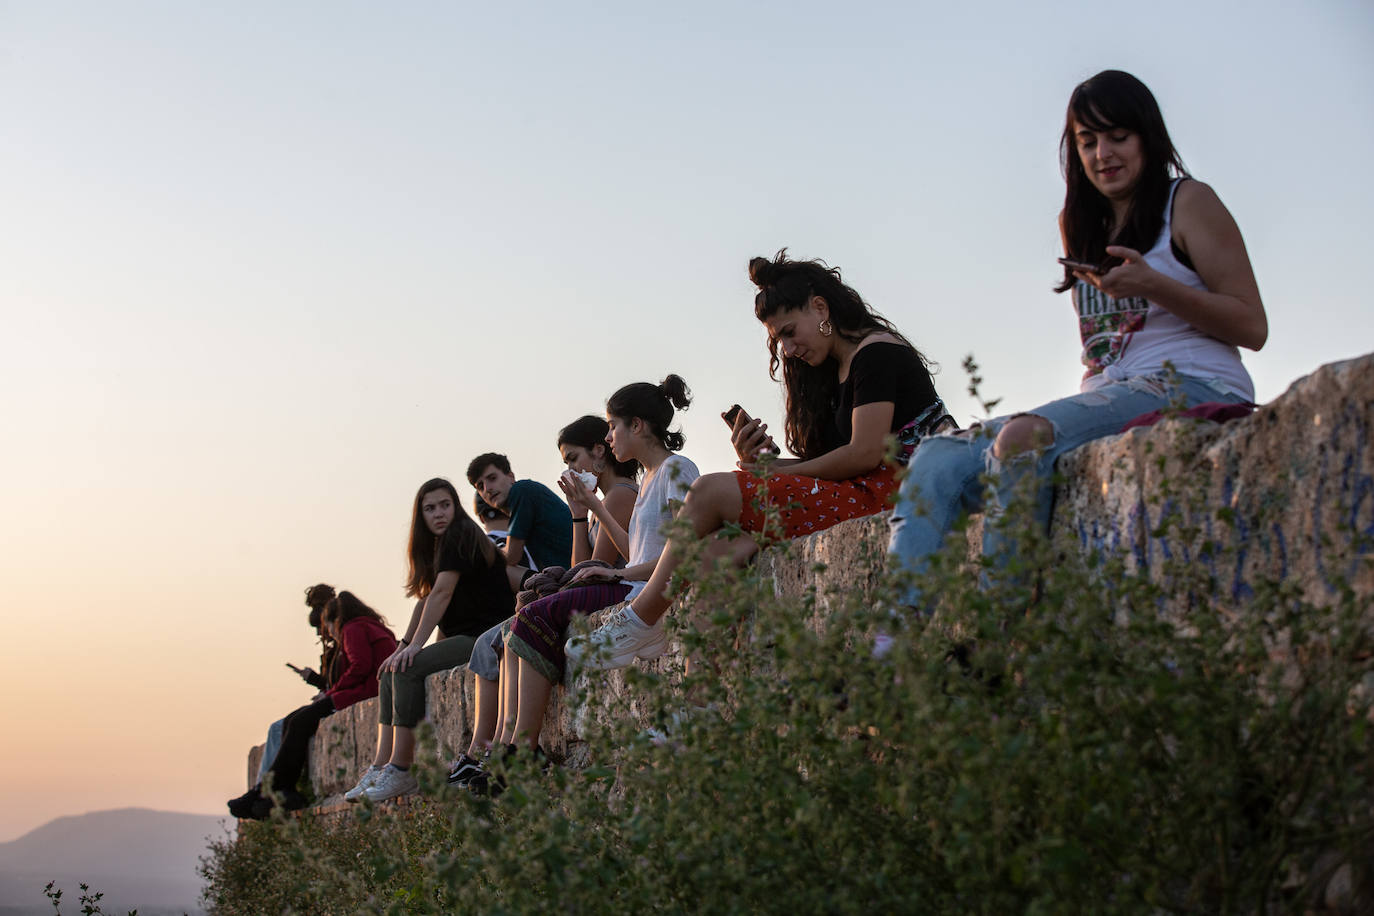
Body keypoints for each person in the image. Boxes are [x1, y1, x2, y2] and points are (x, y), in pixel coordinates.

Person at [886, 69, 1266, 610]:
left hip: (1194, 384)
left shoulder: (1188, 202)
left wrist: (1154, 284)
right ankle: (887, 653)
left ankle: (999, 643)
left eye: (1117, 137)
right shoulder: (1079, 221)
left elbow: (1252, 326)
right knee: (937, 458)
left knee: (1020, 438)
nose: (1102, 153)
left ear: (1147, 138)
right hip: (1113, 393)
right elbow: (1106, 351)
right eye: (1087, 141)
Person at [568, 253, 951, 670]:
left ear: (820, 308)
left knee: (711, 489)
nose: (786, 348)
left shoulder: (875, 354)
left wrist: (778, 472)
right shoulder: (835, 370)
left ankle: (640, 619)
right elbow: (835, 461)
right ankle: (691, 714)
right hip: (863, 491)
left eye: (789, 332)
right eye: (778, 340)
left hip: (899, 492)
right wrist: (765, 463)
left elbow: (865, 453)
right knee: (713, 554)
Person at [463, 379, 697, 788]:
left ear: (638, 425)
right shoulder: (649, 479)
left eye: (613, 426)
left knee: (537, 613)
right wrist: (587, 509)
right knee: (526, 617)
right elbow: (636, 550)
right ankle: (510, 750)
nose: (607, 437)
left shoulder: (678, 469)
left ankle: (520, 748)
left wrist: (619, 572)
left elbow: (684, 549)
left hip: (642, 592)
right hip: (633, 583)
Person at [449, 415, 642, 788]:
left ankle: (522, 748)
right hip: (595, 583)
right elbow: (577, 566)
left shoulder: (620, 494)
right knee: (506, 635)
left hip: (619, 588)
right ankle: (506, 746)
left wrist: (587, 509)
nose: (569, 468)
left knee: (530, 617)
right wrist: (577, 514)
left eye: (573, 459)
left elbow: (594, 566)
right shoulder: (602, 500)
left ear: (598, 453)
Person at [343, 478, 515, 803]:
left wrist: (415, 648)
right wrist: (402, 646)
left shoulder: (460, 532)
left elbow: (441, 594)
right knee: (390, 670)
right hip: (465, 634)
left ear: (456, 507)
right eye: (430, 508)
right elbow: (426, 600)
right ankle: (381, 766)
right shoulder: (439, 545)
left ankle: (402, 770)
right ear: (420, 515)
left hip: (485, 636)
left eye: (445, 505)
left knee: (407, 668)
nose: (439, 514)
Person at [236, 592, 397, 818]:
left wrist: (331, 693)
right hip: (373, 688)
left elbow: (360, 666)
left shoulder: (352, 629)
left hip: (365, 692)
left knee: (300, 722)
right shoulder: (368, 625)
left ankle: (274, 789)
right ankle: (272, 789)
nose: (329, 633)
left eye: (327, 626)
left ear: (334, 620)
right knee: (297, 719)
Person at [227, 583, 341, 815]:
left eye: (320, 628)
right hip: (332, 697)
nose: (320, 634)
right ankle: (263, 789)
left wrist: (321, 686)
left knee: (289, 726)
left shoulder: (341, 647)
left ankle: (267, 789)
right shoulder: (334, 650)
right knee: (279, 727)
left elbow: (342, 681)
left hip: (338, 700)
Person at [466, 452, 574, 576]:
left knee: (498, 570)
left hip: (578, 574)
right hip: (568, 575)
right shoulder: (522, 497)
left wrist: (482, 552)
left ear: (511, 477)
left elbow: (512, 557)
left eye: (492, 478)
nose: (487, 488)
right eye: (480, 486)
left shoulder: (522, 490)